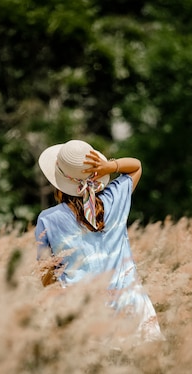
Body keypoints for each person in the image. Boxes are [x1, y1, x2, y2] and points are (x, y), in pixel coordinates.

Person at [34, 139, 163, 342]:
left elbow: (46, 275)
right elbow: (136, 166)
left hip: (86, 315)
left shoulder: (48, 219)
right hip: (133, 308)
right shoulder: (115, 198)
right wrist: (111, 166)